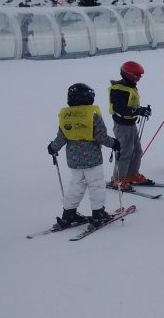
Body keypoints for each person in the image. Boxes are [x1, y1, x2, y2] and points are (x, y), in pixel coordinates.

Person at [47, 83, 120, 228]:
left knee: (76, 185)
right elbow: (101, 137)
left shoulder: (66, 116)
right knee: (96, 185)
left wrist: (53, 147)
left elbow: (61, 137)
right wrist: (114, 144)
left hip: (74, 159)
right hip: (92, 159)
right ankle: (98, 214)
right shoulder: (92, 115)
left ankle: (68, 213)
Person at [108, 61, 152, 191]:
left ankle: (132, 175)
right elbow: (120, 109)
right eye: (137, 75)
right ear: (129, 75)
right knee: (125, 152)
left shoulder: (130, 86)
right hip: (122, 126)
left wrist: (142, 110)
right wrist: (138, 111)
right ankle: (118, 179)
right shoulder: (119, 90)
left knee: (137, 151)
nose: (139, 78)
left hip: (131, 124)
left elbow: (131, 105)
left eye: (140, 75)